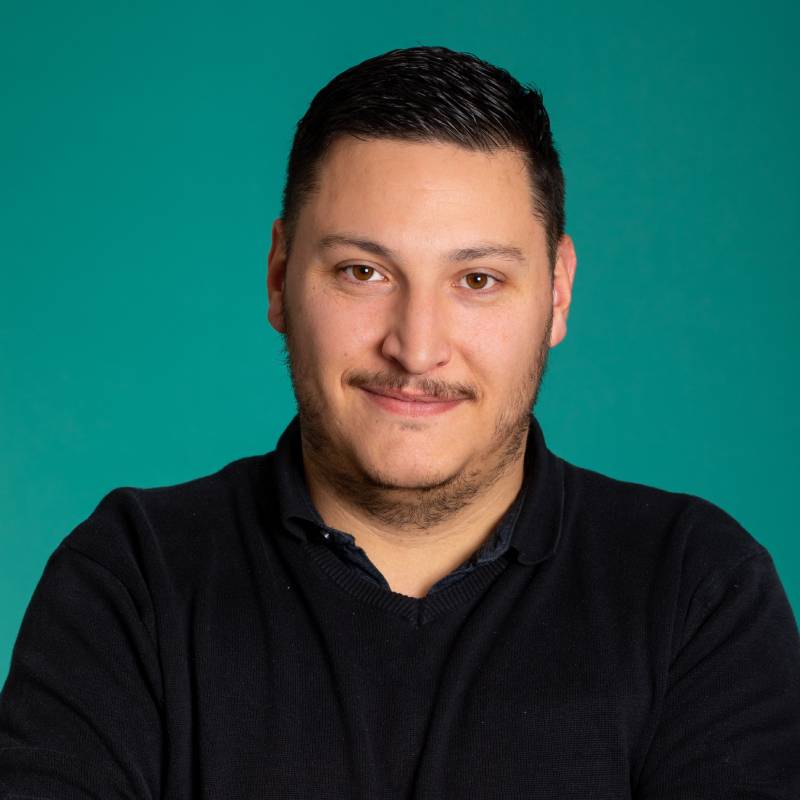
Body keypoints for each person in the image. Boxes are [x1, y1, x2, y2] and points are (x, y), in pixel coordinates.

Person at [1, 45, 798, 799]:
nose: (416, 348)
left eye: (477, 279)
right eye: (363, 271)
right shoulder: (132, 579)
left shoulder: (695, 590)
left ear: (557, 293)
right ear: (279, 277)